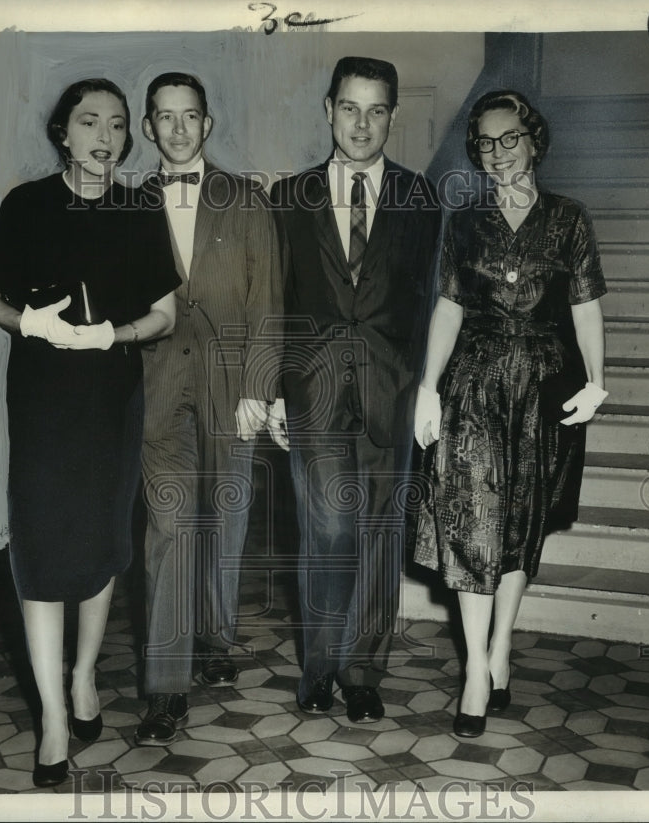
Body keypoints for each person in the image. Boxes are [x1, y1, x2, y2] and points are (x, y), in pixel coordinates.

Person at [0, 78, 179, 786]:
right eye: (89, 121)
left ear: (128, 138)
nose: (105, 135)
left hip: (110, 401)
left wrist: (113, 335)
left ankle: (85, 675)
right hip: (40, 406)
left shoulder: (138, 208)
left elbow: (165, 314)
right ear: (63, 133)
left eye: (118, 124)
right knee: (37, 548)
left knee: (100, 540)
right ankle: (53, 720)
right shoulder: (25, 205)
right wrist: (27, 321)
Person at [412, 89, 607, 738]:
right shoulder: (465, 222)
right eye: (486, 143)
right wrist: (427, 386)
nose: (498, 153)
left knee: (522, 525)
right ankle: (475, 668)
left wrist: (599, 379)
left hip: (546, 387)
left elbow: (584, 306)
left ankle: (501, 646)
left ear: (534, 139)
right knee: (473, 523)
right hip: (474, 381)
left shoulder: (569, 219)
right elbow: (448, 306)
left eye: (510, 138)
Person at [267, 56, 441, 723]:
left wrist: (428, 387)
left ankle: (362, 670)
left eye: (376, 110)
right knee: (328, 528)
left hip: (391, 391)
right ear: (328, 108)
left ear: (393, 115)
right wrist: (273, 391)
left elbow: (430, 303)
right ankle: (318, 663)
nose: (361, 124)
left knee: (378, 530)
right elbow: (272, 304)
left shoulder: (421, 198)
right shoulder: (288, 197)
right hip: (311, 389)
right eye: (349, 107)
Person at [134, 72, 281, 746]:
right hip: (158, 391)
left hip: (233, 387)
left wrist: (259, 387)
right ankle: (165, 687)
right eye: (164, 118)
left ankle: (216, 636)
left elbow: (266, 300)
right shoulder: (127, 205)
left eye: (189, 116)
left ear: (208, 123)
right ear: (147, 127)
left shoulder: (248, 200)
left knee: (226, 516)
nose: (178, 129)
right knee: (168, 528)